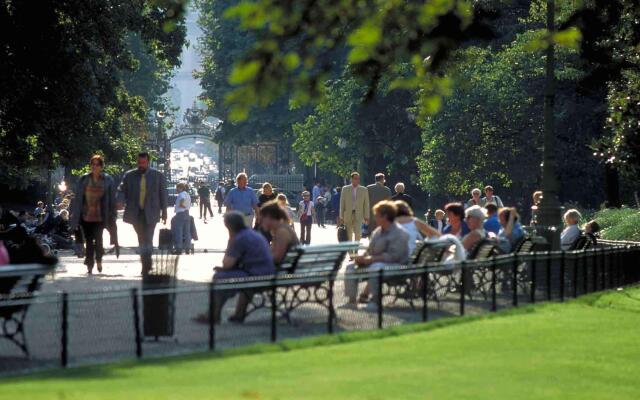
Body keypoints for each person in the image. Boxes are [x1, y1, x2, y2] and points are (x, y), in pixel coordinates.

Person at [210, 212, 275, 323]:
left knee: (219, 277)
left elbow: (227, 264)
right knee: (229, 276)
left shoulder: (239, 238)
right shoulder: (252, 234)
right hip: (266, 271)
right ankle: (238, 313)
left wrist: (230, 241)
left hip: (256, 275)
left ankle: (214, 315)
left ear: (229, 226)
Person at [344, 201, 409, 308]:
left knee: (376, 267)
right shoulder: (378, 231)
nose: (375, 219)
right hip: (376, 262)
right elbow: (370, 250)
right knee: (350, 266)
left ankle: (375, 301)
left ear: (386, 217)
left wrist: (371, 260)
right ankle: (351, 301)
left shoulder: (399, 233)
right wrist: (362, 257)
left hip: (398, 266)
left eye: (377, 216)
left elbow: (394, 256)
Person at [117, 152, 168, 275]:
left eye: (143, 163)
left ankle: (146, 266)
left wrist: (164, 212)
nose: (141, 165)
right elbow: (122, 190)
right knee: (141, 239)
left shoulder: (157, 176)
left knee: (148, 238)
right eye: (139, 163)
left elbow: (163, 194)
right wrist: (120, 200)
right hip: (136, 213)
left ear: (148, 162)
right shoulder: (130, 175)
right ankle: (146, 263)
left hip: (152, 212)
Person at [70, 155, 117, 274]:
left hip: (100, 216)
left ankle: (99, 260)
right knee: (89, 241)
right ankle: (90, 264)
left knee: (99, 240)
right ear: (90, 166)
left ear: (101, 166)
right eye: (93, 164)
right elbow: (78, 198)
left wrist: (113, 213)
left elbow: (112, 199)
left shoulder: (107, 180)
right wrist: (75, 214)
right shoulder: (84, 179)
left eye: (97, 165)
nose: (95, 167)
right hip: (86, 216)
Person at [339, 172, 370, 244]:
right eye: (355, 178)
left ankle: (356, 250)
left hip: (359, 215)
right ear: (351, 179)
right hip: (347, 215)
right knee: (349, 234)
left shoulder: (364, 189)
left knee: (358, 234)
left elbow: (366, 204)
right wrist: (341, 216)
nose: (357, 180)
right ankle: (350, 252)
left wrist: (366, 216)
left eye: (358, 179)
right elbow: (342, 203)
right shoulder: (345, 189)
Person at [171, 183, 192, 254]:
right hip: (187, 213)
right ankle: (188, 248)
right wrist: (186, 208)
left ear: (181, 188)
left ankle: (178, 248)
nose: (176, 189)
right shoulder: (187, 194)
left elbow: (181, 203)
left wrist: (182, 206)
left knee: (179, 231)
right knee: (187, 231)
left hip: (180, 213)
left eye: (177, 188)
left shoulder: (181, 194)